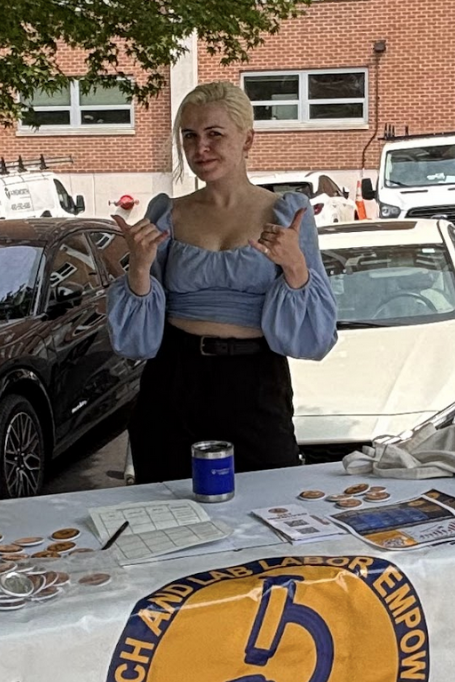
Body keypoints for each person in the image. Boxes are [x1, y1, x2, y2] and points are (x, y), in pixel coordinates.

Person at [108, 81, 338, 485]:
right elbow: (134, 341)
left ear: (247, 139)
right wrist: (139, 269)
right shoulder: (167, 213)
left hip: (254, 382)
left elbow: (314, 340)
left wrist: (295, 266)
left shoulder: (287, 213)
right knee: (167, 507)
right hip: (173, 379)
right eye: (190, 136)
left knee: (270, 502)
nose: (201, 148)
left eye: (215, 134)